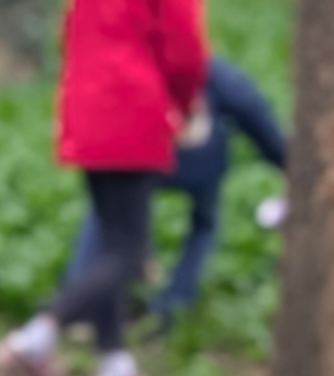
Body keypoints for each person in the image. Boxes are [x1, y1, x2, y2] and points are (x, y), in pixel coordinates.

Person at [0, 0, 213, 376]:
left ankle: (115, 366)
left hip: (86, 109)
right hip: (137, 112)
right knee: (127, 247)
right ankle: (37, 337)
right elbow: (186, 48)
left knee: (113, 234)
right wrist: (185, 106)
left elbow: (72, 32)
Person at [58, 54, 287, 327]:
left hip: (146, 159)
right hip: (198, 163)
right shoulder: (216, 72)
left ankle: (82, 298)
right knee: (203, 225)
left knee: (108, 215)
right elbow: (252, 112)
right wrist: (284, 159)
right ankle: (173, 306)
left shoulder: (138, 67)